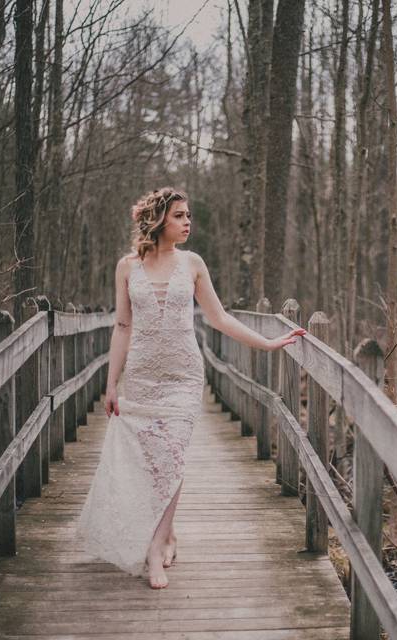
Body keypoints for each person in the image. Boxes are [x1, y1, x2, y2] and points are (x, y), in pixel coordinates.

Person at [74, 187, 305, 589]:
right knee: (151, 462)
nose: (187, 223)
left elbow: (219, 318)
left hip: (184, 377)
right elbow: (123, 326)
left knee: (172, 458)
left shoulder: (193, 263)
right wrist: (111, 384)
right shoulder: (128, 267)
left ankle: (154, 549)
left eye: (189, 216)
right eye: (180, 216)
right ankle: (167, 534)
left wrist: (267, 343)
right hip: (142, 376)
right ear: (160, 219)